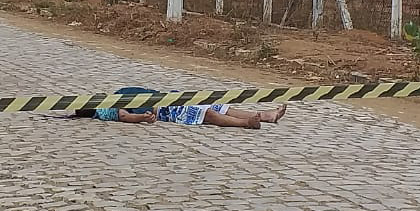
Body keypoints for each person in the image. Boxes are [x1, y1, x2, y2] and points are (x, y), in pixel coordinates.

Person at [73, 87, 288, 129]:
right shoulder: (105, 110)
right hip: (165, 110)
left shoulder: (112, 95)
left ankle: (266, 115)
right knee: (208, 114)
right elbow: (124, 115)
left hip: (167, 97)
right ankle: (246, 124)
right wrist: (143, 119)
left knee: (216, 105)